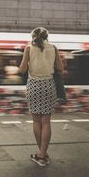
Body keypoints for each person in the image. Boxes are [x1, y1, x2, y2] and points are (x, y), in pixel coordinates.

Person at [17, 27, 63, 166]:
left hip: (34, 86)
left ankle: (41, 154)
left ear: (33, 37)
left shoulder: (28, 48)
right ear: (47, 36)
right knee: (46, 121)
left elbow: (22, 69)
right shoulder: (54, 48)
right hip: (49, 85)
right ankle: (42, 154)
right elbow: (60, 68)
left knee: (36, 121)